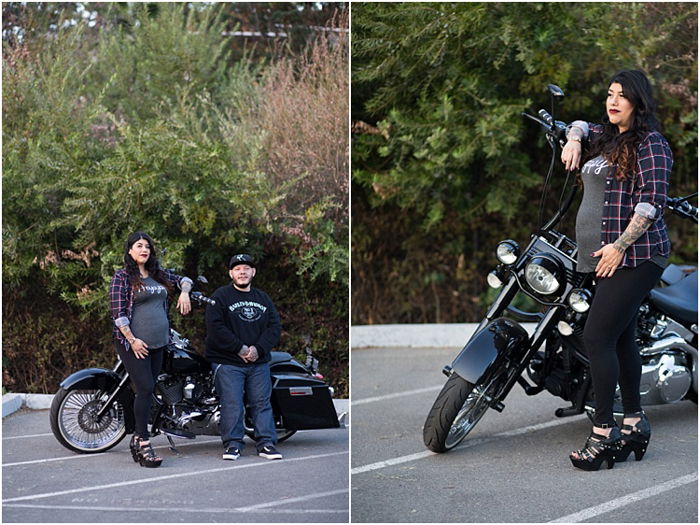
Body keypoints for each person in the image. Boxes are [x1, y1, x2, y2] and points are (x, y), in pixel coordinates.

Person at [560, 70, 671, 471]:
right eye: (610, 94)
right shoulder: (604, 137)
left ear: (638, 102)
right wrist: (573, 139)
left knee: (597, 337)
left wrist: (620, 248)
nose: (613, 102)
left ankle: (604, 433)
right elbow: (575, 124)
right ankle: (635, 423)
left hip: (636, 256)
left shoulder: (651, 145)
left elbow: (650, 203)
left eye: (622, 96)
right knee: (622, 340)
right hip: (600, 255)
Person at [109, 232, 192, 468]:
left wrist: (184, 291)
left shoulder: (158, 275)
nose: (144, 249)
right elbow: (118, 315)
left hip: (159, 344)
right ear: (130, 251)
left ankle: (138, 437)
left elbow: (184, 280)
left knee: (149, 389)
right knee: (144, 387)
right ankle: (143, 441)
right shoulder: (122, 277)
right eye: (139, 246)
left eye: (147, 246)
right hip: (133, 344)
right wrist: (133, 340)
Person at [205, 253, 283, 461]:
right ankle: (233, 445)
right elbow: (215, 327)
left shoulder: (263, 298)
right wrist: (239, 348)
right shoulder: (220, 297)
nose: (242, 272)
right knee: (232, 403)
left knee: (261, 403)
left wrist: (257, 349)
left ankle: (266, 444)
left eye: (246, 268)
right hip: (228, 361)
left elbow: (274, 327)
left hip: (258, 362)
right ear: (231, 273)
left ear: (253, 272)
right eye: (237, 269)